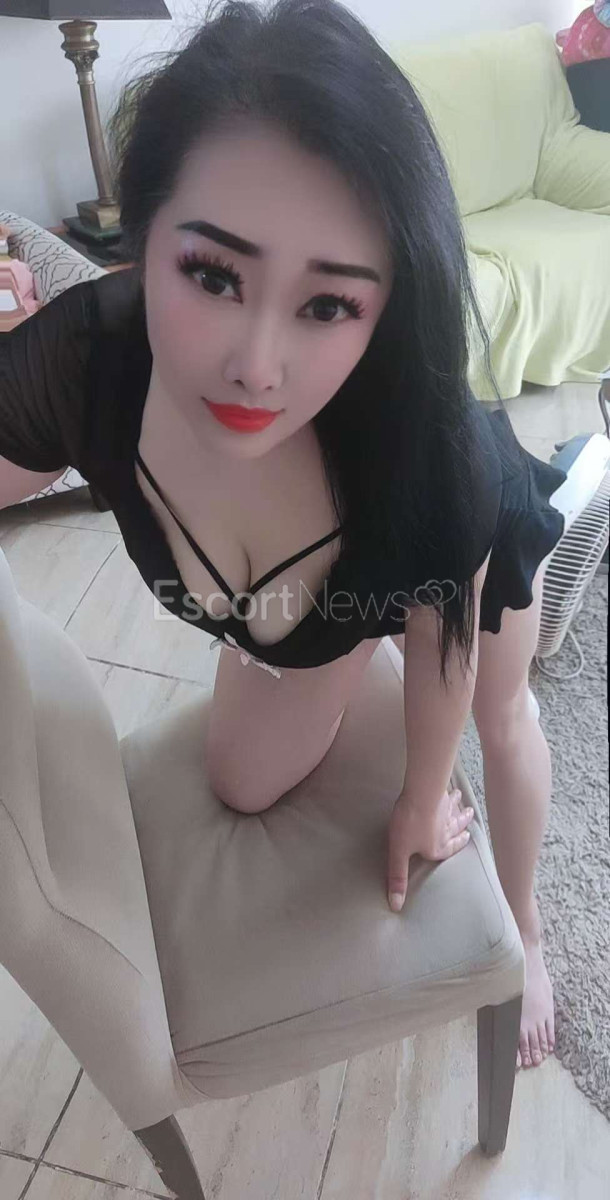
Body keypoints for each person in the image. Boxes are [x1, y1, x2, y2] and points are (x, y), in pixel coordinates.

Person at [0, 0, 568, 1074]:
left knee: (503, 716)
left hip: (456, 550)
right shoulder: (90, 363)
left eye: (328, 306)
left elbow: (441, 645)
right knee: (240, 781)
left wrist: (419, 800)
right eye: (213, 276)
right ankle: (343, 632)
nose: (257, 367)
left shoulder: (433, 454)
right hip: (320, 612)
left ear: (385, 307)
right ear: (141, 236)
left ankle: (531, 934)